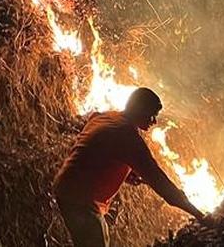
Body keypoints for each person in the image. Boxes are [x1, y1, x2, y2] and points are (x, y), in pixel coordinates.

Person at [53, 88, 209, 247]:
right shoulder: (128, 137)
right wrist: (200, 215)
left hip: (69, 188)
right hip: (81, 198)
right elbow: (163, 186)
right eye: (152, 114)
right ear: (140, 108)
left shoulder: (106, 116)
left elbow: (95, 148)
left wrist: (122, 171)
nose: (154, 121)